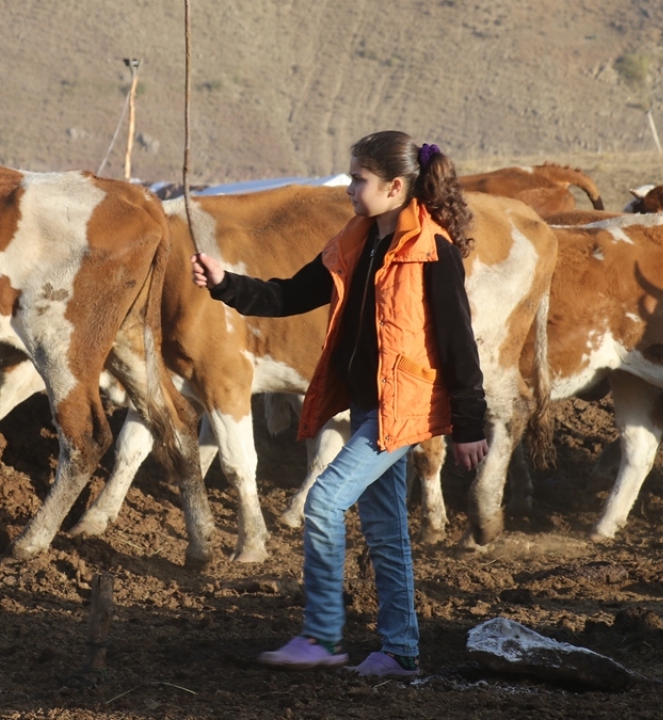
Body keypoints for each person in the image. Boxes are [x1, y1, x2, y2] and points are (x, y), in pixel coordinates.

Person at [191, 131, 489, 678]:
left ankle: (322, 636)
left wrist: (471, 423)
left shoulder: (433, 250)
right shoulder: (357, 240)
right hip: (368, 403)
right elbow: (290, 294)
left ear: (396, 187)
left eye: (360, 179)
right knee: (386, 530)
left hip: (401, 406)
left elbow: (458, 341)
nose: (350, 188)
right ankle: (399, 652)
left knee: (323, 503)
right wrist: (224, 283)